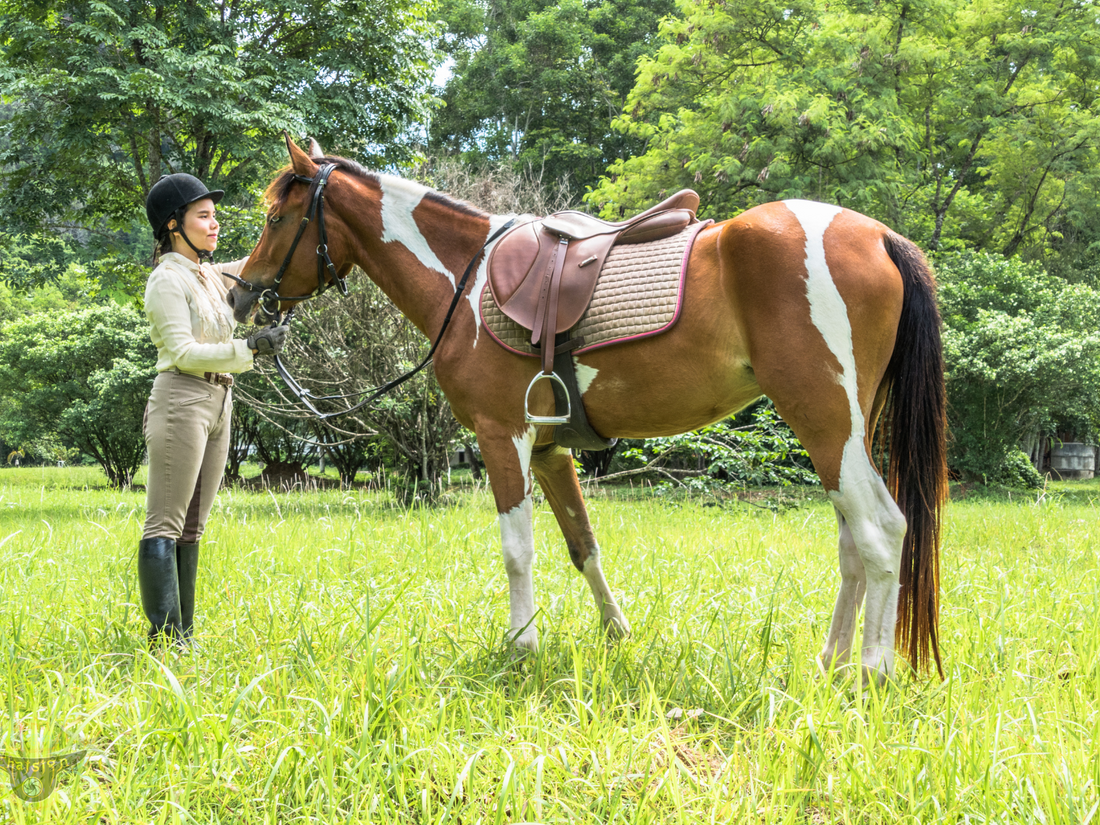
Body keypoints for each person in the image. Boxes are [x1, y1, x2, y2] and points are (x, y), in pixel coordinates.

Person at [139, 173, 287, 646]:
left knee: (193, 526)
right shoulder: (167, 280)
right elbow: (181, 352)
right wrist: (250, 349)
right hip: (182, 398)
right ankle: (164, 640)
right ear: (173, 224)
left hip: (221, 400)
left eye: (214, 215)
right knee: (166, 522)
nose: (214, 223)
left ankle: (184, 632)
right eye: (203, 216)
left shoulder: (208, 273)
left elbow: (262, 262)